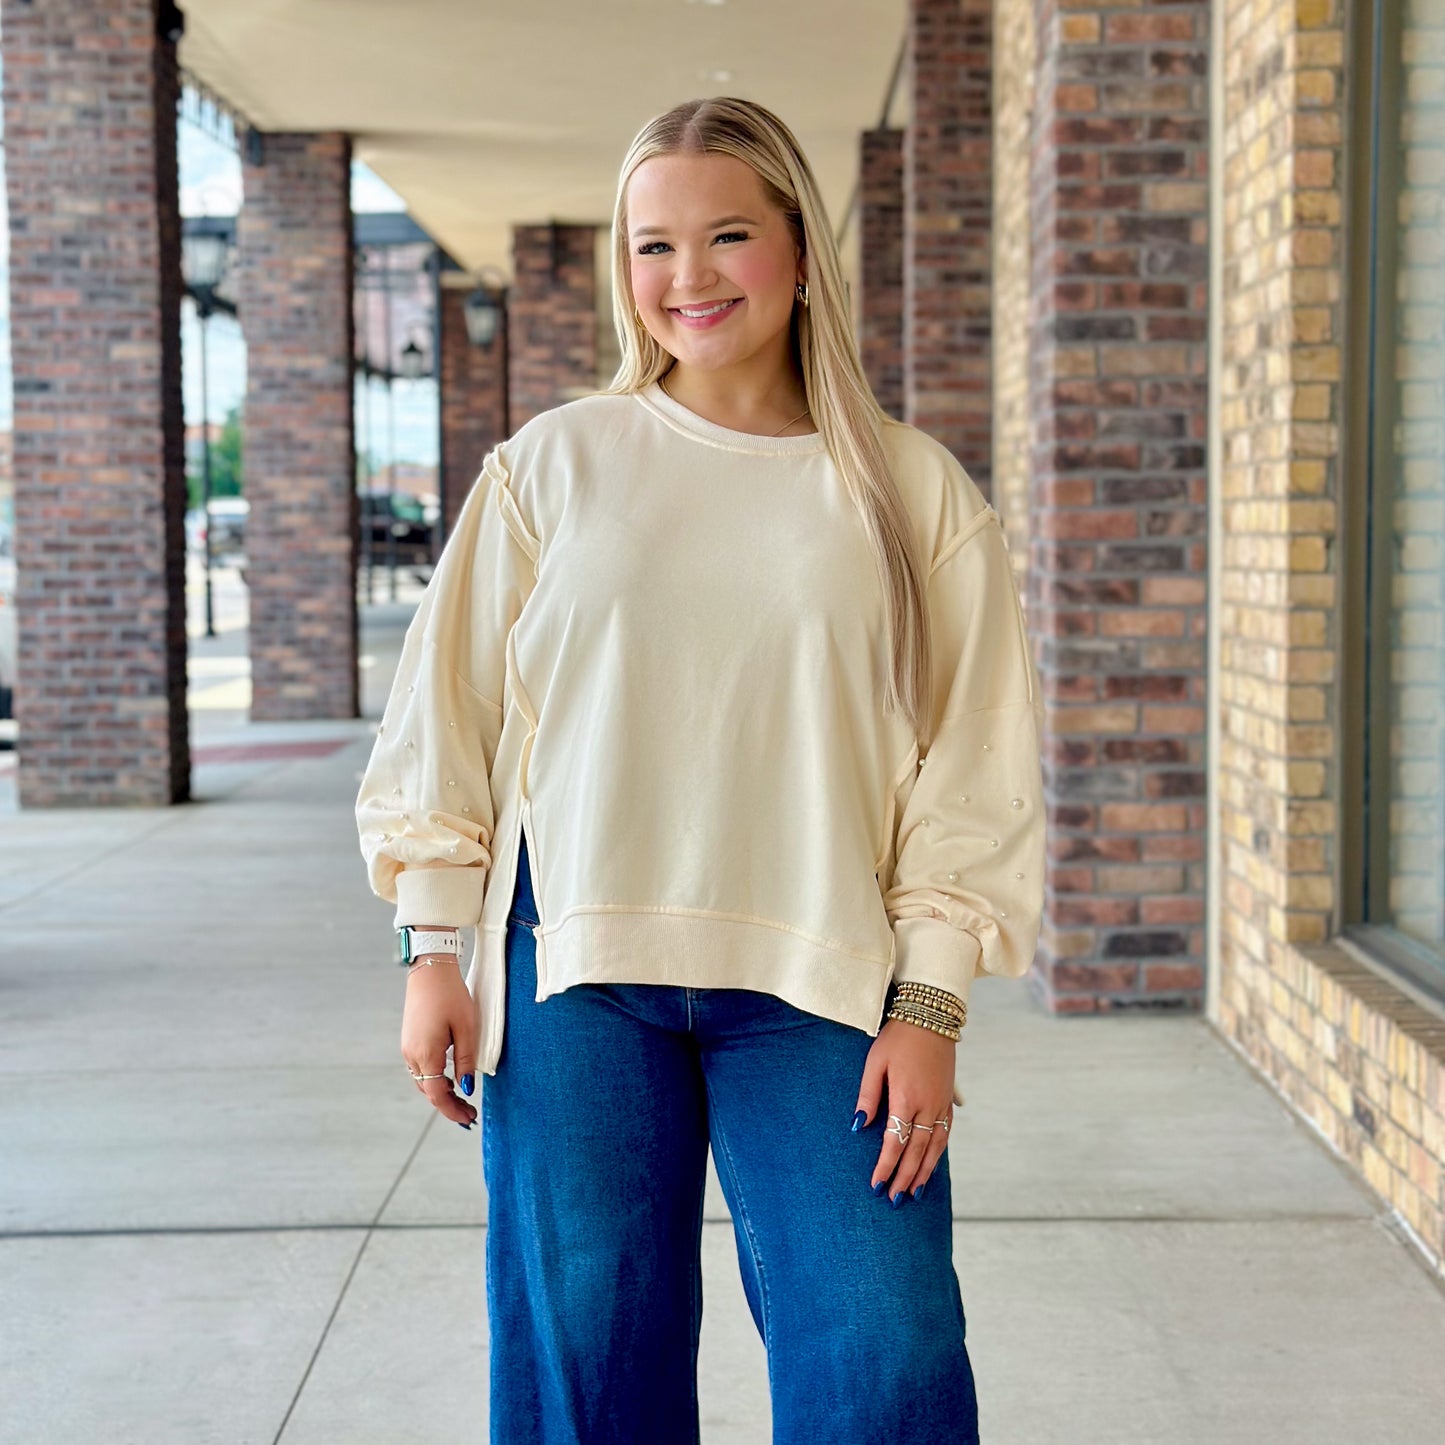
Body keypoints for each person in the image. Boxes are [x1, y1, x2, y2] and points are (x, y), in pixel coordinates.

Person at [356, 95, 1045, 1445]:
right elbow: (450, 716)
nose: (689, 278)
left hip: (826, 983)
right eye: (652, 246)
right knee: (583, 1370)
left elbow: (972, 768)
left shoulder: (911, 495)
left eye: (726, 235)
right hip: (575, 974)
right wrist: (431, 941)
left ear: (797, 246)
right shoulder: (554, 466)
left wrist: (936, 1000)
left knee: (884, 1358)